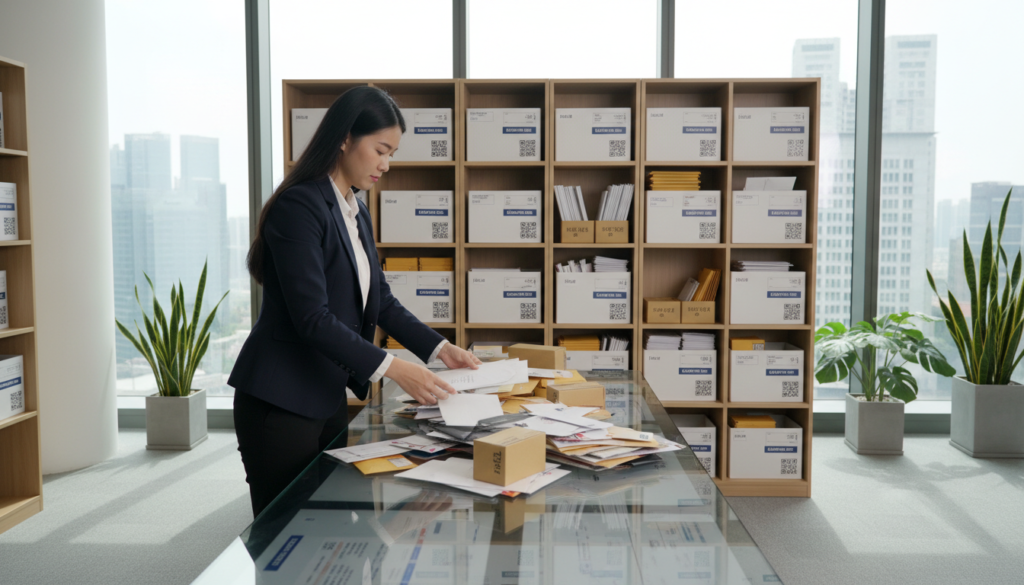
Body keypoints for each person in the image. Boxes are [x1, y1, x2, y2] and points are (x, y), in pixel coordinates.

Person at [228, 86, 481, 517]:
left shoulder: (354, 209)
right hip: (279, 401)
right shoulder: (300, 206)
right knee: (284, 536)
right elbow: (312, 317)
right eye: (381, 149)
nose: (386, 164)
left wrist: (441, 350)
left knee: (325, 532)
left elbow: (379, 300)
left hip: (325, 395)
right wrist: (396, 369)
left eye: (393, 154)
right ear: (345, 138)